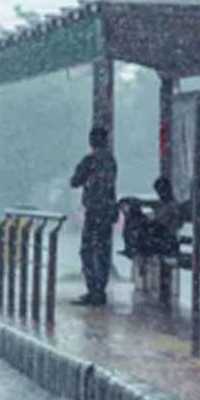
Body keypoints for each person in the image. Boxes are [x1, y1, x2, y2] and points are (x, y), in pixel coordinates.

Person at [69, 126, 118, 306]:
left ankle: (93, 290)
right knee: (104, 251)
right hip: (108, 211)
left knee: (88, 250)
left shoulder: (89, 160)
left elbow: (74, 181)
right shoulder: (111, 160)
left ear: (91, 141)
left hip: (94, 212)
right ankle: (101, 290)